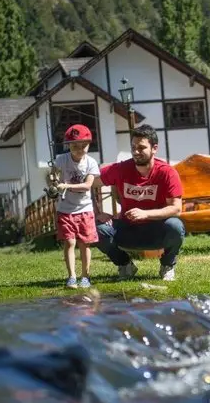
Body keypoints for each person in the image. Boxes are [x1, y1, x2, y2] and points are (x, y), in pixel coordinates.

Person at [92, 124, 185, 282]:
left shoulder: (167, 172)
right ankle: (125, 265)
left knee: (175, 227)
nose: (136, 152)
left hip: (157, 229)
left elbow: (176, 209)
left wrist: (146, 213)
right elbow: (89, 183)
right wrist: (97, 211)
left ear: (154, 148)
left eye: (141, 148)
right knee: (95, 230)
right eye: (133, 147)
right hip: (127, 228)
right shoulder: (121, 169)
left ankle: (167, 265)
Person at [53, 124, 100, 289]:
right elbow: (52, 176)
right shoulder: (61, 160)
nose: (79, 149)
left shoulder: (91, 163)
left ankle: (85, 276)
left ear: (89, 145)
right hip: (65, 209)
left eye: (83, 146)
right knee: (70, 242)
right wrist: (53, 183)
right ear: (68, 145)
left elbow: (87, 186)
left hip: (85, 209)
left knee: (84, 244)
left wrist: (66, 186)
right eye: (74, 146)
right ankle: (72, 276)